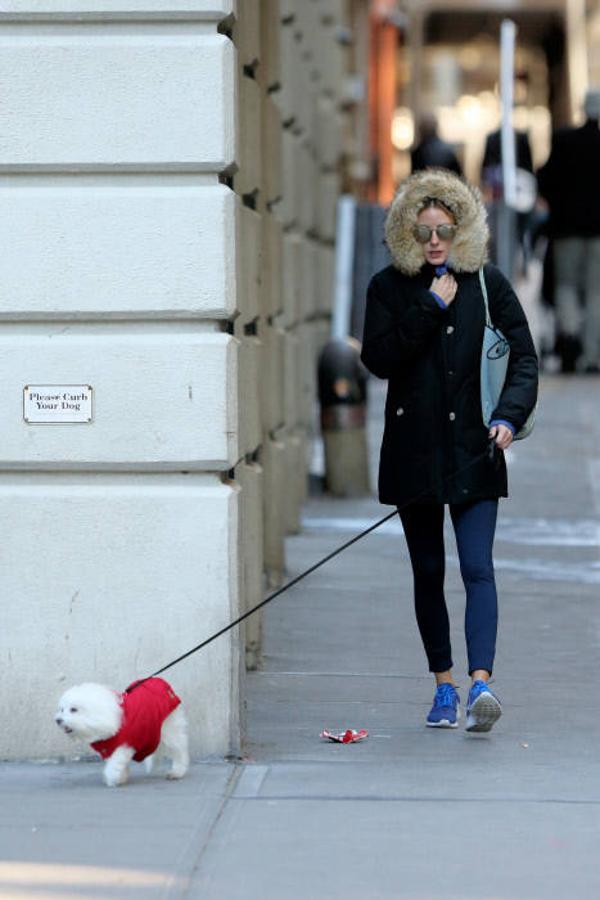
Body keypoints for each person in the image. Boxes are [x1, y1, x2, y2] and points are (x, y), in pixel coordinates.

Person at [360, 169, 538, 733]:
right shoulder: (389, 288)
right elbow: (378, 358)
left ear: (461, 230)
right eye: (424, 230)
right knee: (429, 570)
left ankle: (481, 683)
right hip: (414, 454)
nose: (435, 240)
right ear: (407, 233)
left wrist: (507, 417)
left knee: (478, 567)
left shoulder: (488, 284)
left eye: (444, 229)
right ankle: (444, 686)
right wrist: (428, 308)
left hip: (475, 450)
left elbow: (524, 358)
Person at [537, 88, 600, 373]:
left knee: (566, 287)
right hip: (597, 232)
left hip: (566, 230)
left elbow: (545, 178)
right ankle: (593, 353)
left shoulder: (564, 140)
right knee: (596, 291)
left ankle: (570, 341)